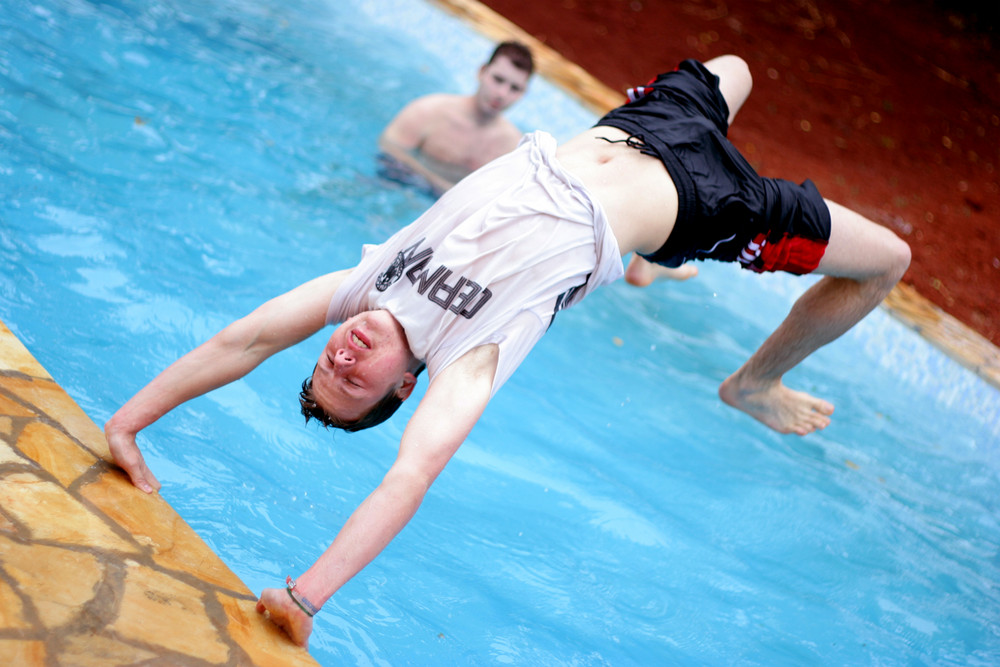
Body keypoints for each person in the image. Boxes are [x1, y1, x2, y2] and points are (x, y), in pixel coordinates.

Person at [105, 55, 910, 648]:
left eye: (325, 363)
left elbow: (240, 340)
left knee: (736, 67)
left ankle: (664, 259)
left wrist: (128, 423)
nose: (341, 356)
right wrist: (306, 597)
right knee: (888, 262)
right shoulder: (464, 361)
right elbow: (409, 477)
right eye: (355, 382)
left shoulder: (367, 285)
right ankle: (755, 380)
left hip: (639, 131)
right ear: (400, 393)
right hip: (706, 203)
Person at [377, 41, 534, 196]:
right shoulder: (428, 111)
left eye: (515, 89)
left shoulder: (512, 149)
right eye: (498, 80)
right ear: (482, 72)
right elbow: (389, 153)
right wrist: (445, 189)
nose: (502, 94)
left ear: (523, 93)